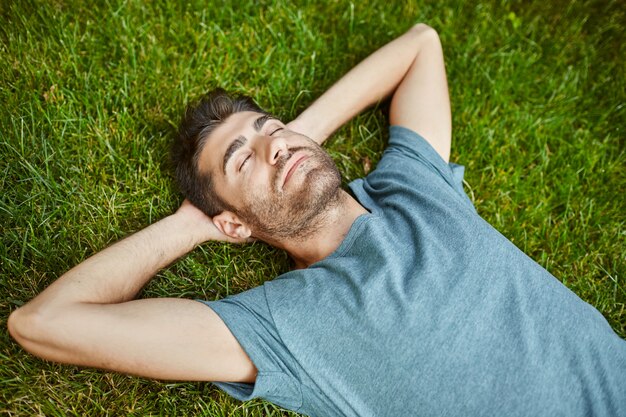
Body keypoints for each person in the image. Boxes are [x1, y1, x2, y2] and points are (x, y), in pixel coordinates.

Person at [7, 23, 626, 417]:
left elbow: (421, 45)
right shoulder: (283, 326)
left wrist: (291, 141)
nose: (271, 143)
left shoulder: (412, 186)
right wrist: (192, 224)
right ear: (235, 225)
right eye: (240, 159)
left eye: (267, 126)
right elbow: (43, 324)